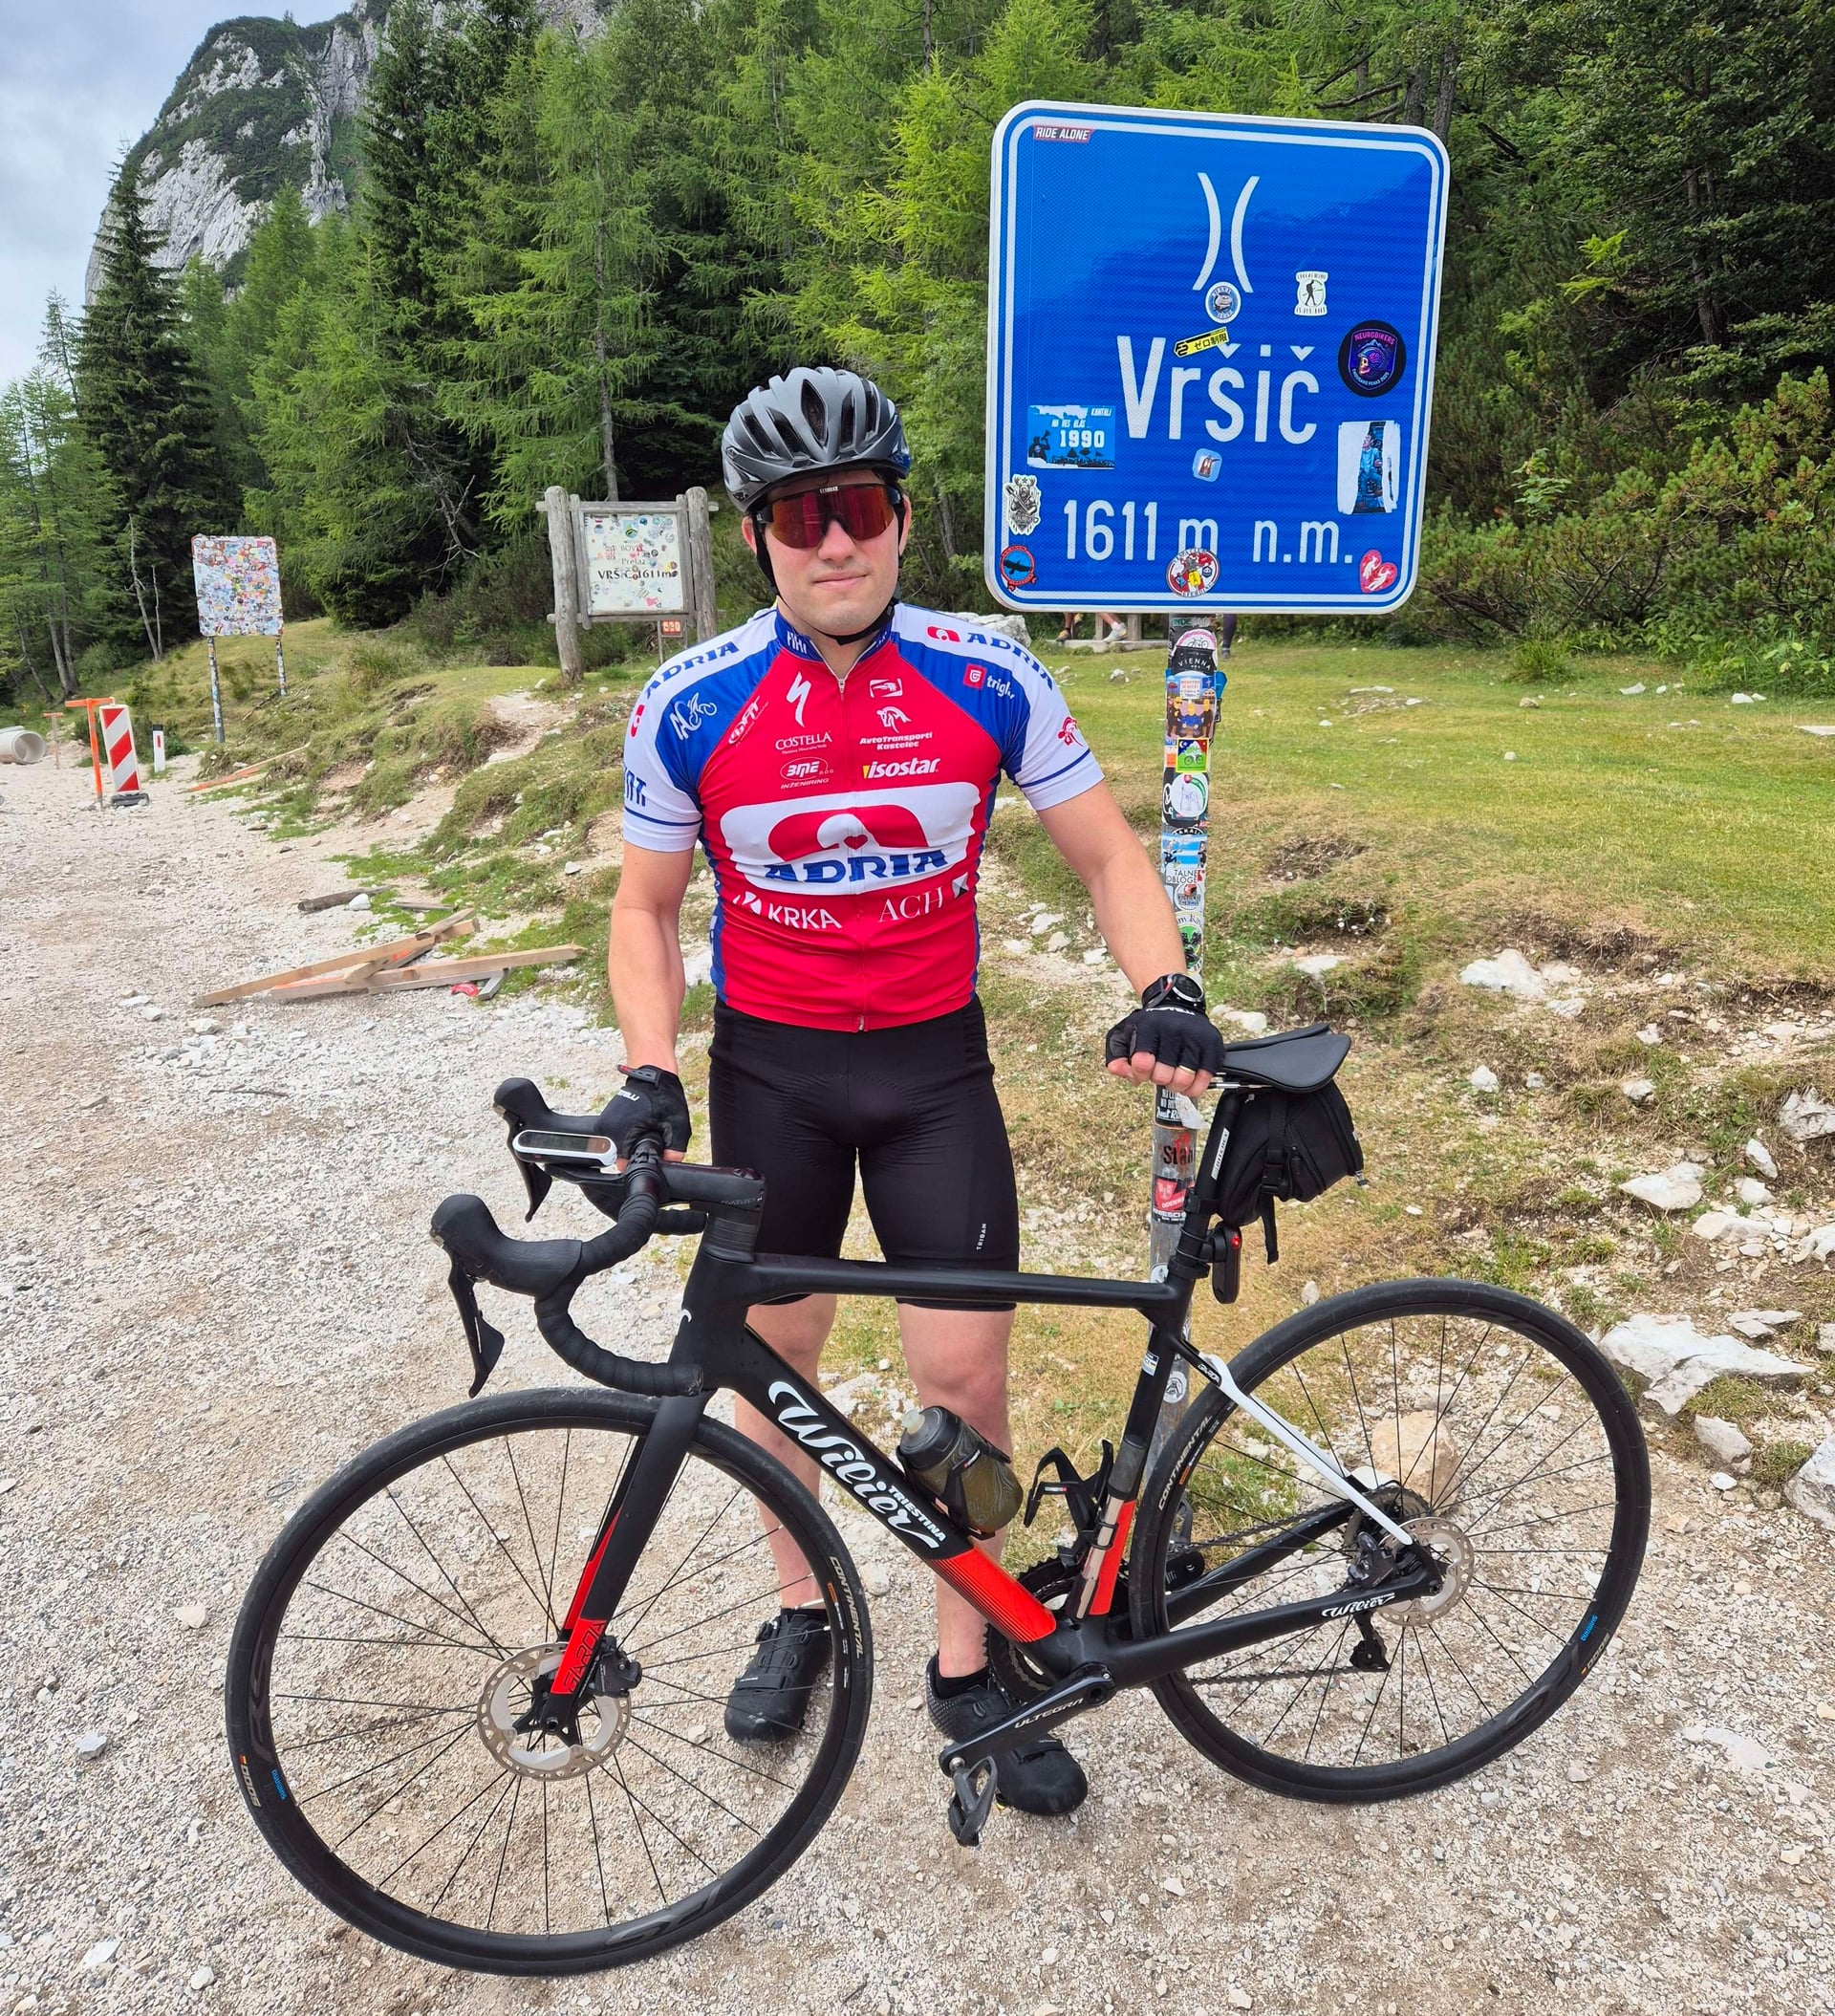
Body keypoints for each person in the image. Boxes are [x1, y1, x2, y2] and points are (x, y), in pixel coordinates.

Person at [608, 366, 1226, 1818]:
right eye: (801, 516)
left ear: (899, 516)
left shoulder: (988, 673)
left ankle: (968, 1659)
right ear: (756, 535)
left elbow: (1108, 854)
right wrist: (647, 1069)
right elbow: (644, 909)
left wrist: (1168, 986)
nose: (837, 540)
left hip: (934, 1073)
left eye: (862, 506)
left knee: (963, 1382)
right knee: (775, 1360)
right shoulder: (689, 702)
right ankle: (803, 1609)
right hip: (772, 1070)